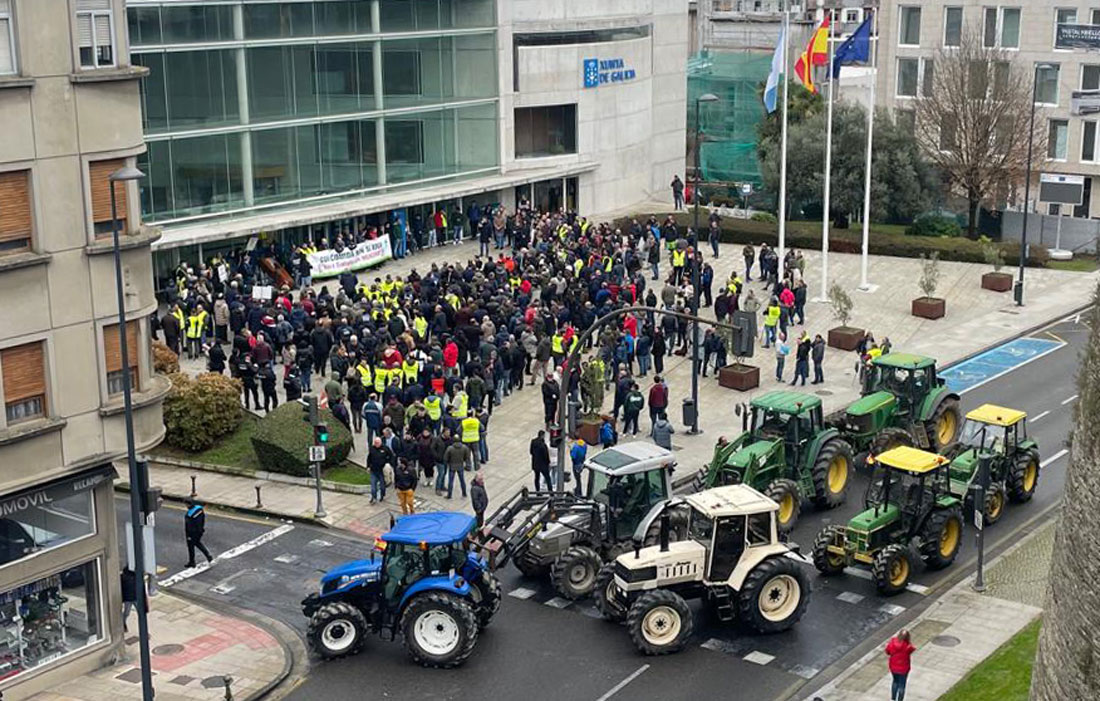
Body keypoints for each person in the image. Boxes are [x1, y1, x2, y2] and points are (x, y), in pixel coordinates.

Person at [885, 629, 915, 701]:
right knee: (902, 685)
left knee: (895, 682)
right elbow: (913, 649)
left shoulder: (892, 642)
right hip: (904, 669)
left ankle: (893, 699)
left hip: (893, 667)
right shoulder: (908, 646)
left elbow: (887, 651)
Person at [184, 499, 214, 568]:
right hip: (200, 531)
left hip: (192, 533)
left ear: (188, 504)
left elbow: (188, 526)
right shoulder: (199, 509)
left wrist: (188, 536)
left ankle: (192, 562)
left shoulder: (189, 514)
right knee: (198, 543)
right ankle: (208, 556)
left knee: (191, 547)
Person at [367, 436, 391, 504]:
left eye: (377, 443)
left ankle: (382, 495)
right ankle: (373, 497)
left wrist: (388, 464)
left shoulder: (385, 449)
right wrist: (368, 466)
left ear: (380, 442)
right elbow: (369, 458)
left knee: (383, 486)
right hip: (373, 470)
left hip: (382, 471)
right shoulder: (372, 449)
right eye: (375, 443)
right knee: (373, 486)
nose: (376, 444)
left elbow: (391, 456)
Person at [120, 565, 139, 633]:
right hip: (133, 597)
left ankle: (123, 623)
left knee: (127, 613)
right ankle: (123, 623)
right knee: (127, 613)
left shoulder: (123, 577)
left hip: (130, 598)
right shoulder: (135, 576)